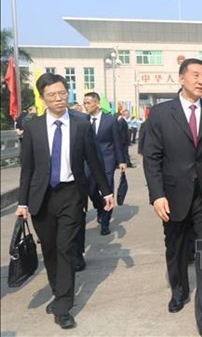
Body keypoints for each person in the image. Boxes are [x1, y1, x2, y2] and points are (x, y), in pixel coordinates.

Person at [16, 73, 114, 329]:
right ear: (42, 98)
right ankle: (59, 291)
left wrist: (107, 192)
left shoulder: (81, 124)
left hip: (72, 194)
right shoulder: (33, 127)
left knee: (65, 248)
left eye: (63, 93)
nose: (59, 99)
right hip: (41, 197)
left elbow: (94, 160)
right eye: (52, 95)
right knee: (48, 248)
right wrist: (22, 202)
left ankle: (63, 305)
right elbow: (26, 168)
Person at [142, 58, 202, 337]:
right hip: (172, 195)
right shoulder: (160, 113)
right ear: (181, 78)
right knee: (177, 248)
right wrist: (157, 195)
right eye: (196, 75)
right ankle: (178, 290)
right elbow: (151, 158)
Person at [82, 92, 126, 236]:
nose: (86, 106)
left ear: (97, 103)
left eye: (88, 103)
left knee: (107, 191)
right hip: (89, 162)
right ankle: (100, 207)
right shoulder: (83, 120)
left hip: (107, 160)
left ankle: (105, 223)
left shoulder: (110, 120)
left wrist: (121, 160)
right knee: (90, 189)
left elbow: (117, 142)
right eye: (84, 103)